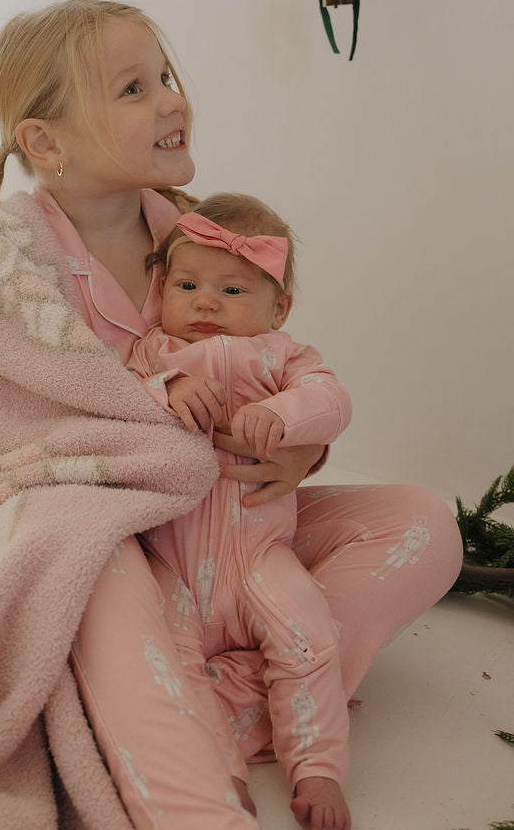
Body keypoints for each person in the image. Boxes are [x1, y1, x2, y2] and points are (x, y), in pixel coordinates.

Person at [0, 0, 463, 829]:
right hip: (122, 539)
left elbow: (282, 369)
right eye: (133, 88)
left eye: (165, 76)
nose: (172, 99)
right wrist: (154, 408)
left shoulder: (196, 236)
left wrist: (299, 454)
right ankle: (195, 795)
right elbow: (6, 426)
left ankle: (229, 703)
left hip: (239, 520)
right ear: (45, 142)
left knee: (422, 524)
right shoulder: (15, 262)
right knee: (103, 589)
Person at [129, 192, 353, 830]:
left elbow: (331, 399)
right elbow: (114, 401)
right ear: (162, 287)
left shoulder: (286, 358)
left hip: (260, 555)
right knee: (169, 661)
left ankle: (317, 766)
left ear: (278, 307)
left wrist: (281, 416)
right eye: (189, 284)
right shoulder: (153, 353)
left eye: (232, 290)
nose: (205, 302)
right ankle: (215, 773)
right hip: (167, 557)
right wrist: (165, 386)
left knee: (308, 639)